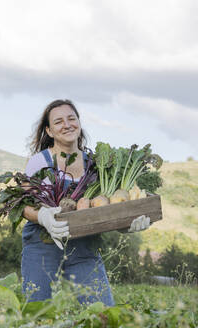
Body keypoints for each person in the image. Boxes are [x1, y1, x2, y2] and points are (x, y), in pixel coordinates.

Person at [21, 99, 150, 305]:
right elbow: (24, 206)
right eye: (59, 121)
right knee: (36, 312)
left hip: (84, 246)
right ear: (50, 131)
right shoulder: (40, 161)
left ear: (79, 123)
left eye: (72, 118)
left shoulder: (95, 164)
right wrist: (44, 217)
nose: (67, 124)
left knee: (102, 311)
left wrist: (125, 224)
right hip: (43, 241)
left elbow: (103, 208)